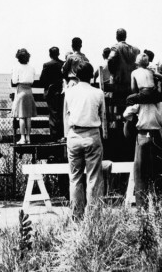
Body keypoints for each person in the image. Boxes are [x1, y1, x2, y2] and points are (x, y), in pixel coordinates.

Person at [64, 62, 107, 218]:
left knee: (75, 177)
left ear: (76, 74)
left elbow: (66, 115)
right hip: (92, 134)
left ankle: (76, 215)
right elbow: (101, 114)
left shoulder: (69, 92)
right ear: (92, 75)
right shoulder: (99, 93)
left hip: (74, 134)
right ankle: (94, 217)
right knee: (94, 177)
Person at [123, 78, 162, 209]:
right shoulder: (161, 105)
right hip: (157, 136)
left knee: (141, 172)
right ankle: (158, 203)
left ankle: (142, 205)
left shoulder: (138, 105)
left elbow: (126, 114)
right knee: (157, 170)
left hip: (143, 135)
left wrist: (132, 117)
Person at [107, 28, 140, 160]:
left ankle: (119, 139)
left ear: (116, 36)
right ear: (126, 36)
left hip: (119, 84)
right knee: (130, 111)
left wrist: (113, 72)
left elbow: (111, 60)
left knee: (118, 113)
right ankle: (129, 139)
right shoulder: (134, 49)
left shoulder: (115, 47)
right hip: (131, 85)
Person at [11, 48, 37, 144]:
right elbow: (33, 80)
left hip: (21, 90)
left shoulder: (16, 67)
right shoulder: (32, 68)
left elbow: (14, 81)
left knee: (22, 117)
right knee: (28, 117)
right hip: (29, 91)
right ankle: (28, 137)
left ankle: (23, 138)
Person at [40, 46, 65, 141]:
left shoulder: (47, 65)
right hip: (61, 93)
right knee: (61, 114)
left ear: (50, 54)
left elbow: (42, 80)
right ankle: (62, 136)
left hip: (51, 93)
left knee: (53, 116)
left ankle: (54, 137)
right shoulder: (63, 64)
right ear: (58, 54)